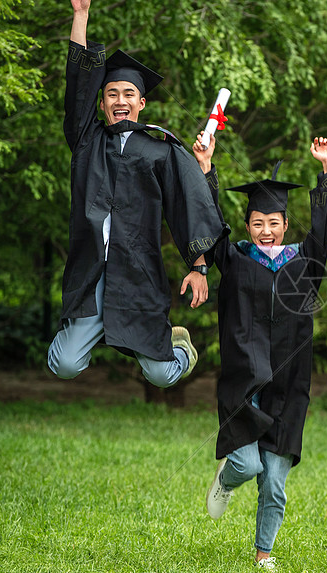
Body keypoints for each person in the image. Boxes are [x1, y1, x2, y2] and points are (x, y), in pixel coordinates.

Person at [48, 0, 226, 387]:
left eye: (129, 94)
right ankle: (90, 330)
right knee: (63, 365)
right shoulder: (86, 140)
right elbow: (77, 86)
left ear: (141, 103)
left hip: (138, 276)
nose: (120, 100)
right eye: (112, 94)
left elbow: (190, 204)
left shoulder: (161, 149)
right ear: (102, 103)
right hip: (92, 272)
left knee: (162, 376)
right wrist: (81, 16)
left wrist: (198, 268)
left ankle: (177, 345)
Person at [199, 134, 327, 571]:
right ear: (248, 226)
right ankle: (227, 477)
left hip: (289, 386)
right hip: (246, 381)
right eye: (258, 223)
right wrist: (206, 168)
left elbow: (326, 229)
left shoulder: (304, 262)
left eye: (274, 222)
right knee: (245, 465)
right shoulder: (236, 260)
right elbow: (209, 224)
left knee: (275, 484)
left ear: (285, 224)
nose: (266, 230)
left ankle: (264, 553)